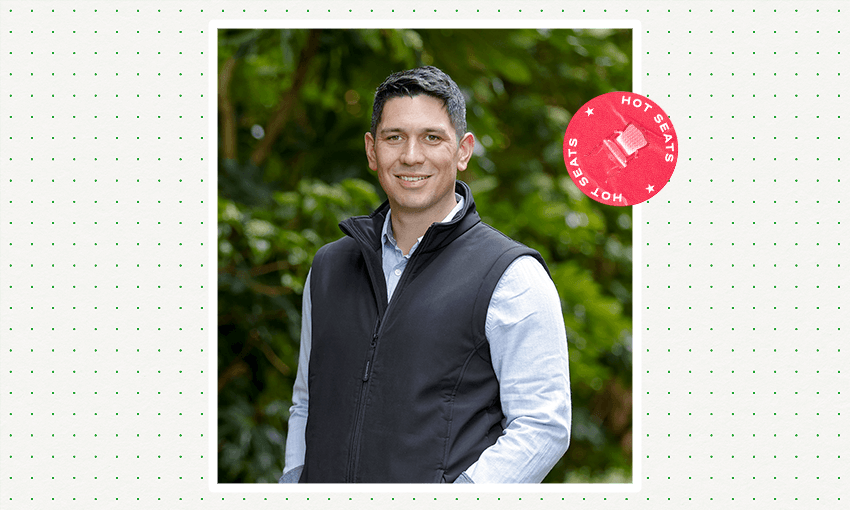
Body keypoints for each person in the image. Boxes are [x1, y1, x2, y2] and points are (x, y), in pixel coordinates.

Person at [279, 66, 571, 483]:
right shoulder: (329, 267)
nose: (411, 155)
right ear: (371, 150)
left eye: (432, 138)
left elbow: (543, 426)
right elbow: (306, 402)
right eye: (394, 137)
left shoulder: (512, 276)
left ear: (463, 150)